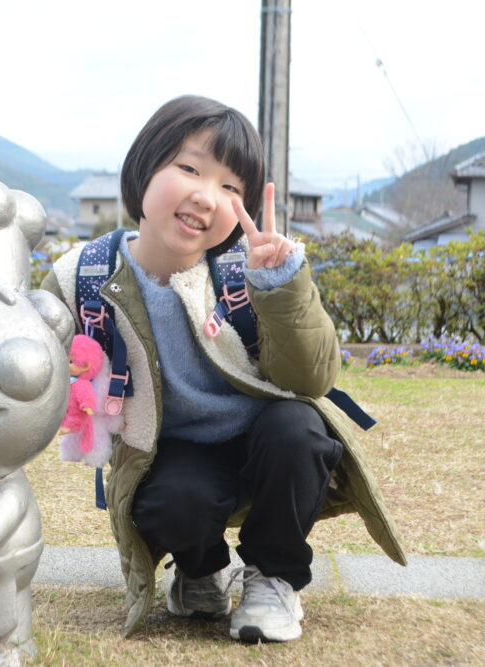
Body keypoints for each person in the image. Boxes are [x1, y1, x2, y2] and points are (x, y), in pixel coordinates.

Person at [41, 95, 405, 643]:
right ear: (144, 167)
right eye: (189, 168)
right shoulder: (83, 277)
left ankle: (273, 578)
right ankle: (202, 568)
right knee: (168, 504)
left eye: (231, 188)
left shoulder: (251, 269)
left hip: (265, 440)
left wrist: (281, 286)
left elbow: (312, 380)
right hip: (175, 453)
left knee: (299, 430)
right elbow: (32, 367)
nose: (206, 196)